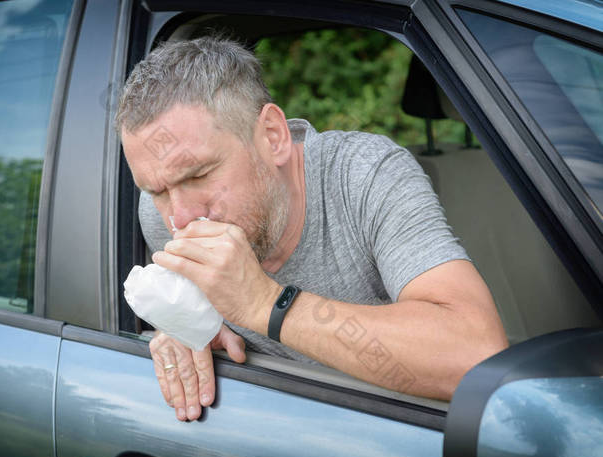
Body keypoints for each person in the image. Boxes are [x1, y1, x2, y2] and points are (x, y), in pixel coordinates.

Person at [116, 36, 508, 422]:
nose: (179, 219)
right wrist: (183, 328)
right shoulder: (161, 213)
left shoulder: (364, 176)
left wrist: (265, 304)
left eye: (198, 174)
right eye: (156, 190)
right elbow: (189, 325)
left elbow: (475, 354)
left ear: (272, 136)